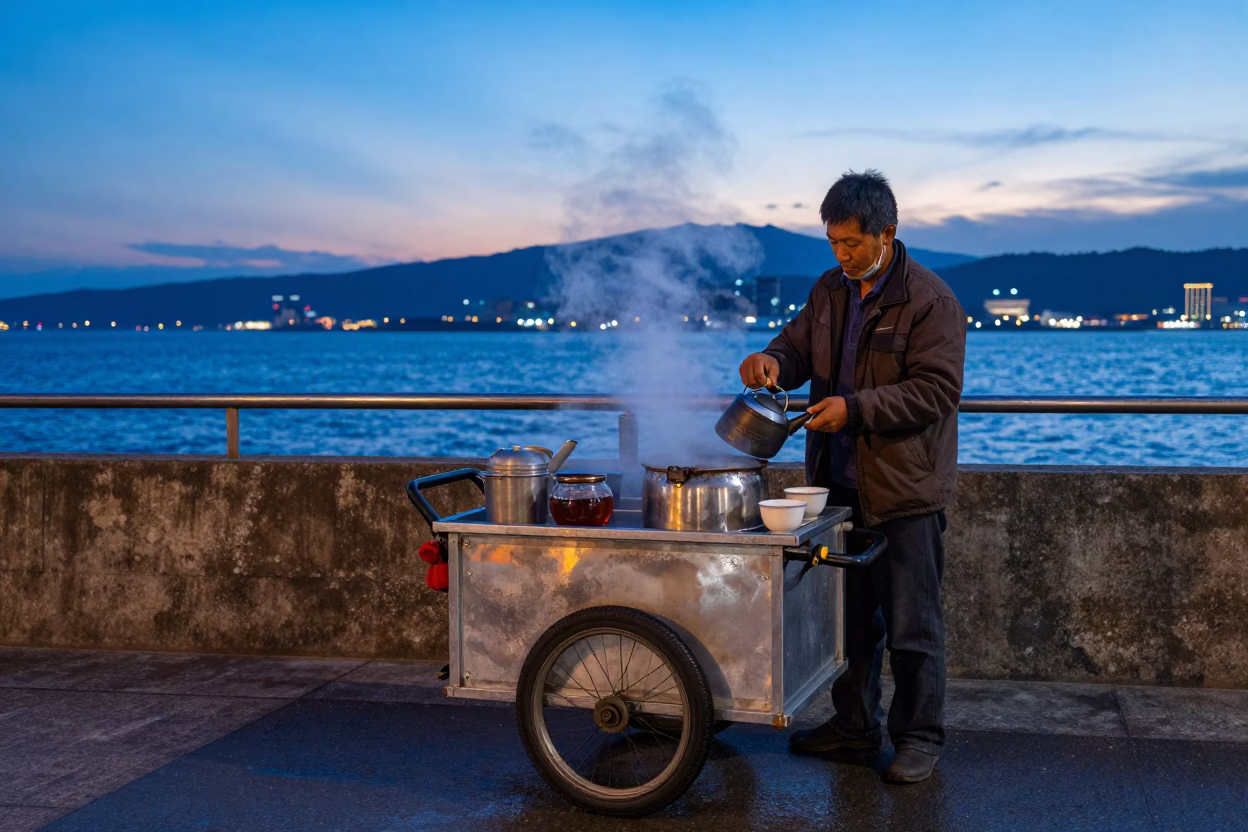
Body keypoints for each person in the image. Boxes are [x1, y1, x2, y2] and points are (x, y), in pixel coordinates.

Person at [738, 169, 966, 784]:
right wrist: (769, 360)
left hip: (904, 489)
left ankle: (919, 738)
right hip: (836, 486)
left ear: (886, 234)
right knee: (849, 621)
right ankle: (854, 726)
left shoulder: (931, 300)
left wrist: (856, 409)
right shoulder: (829, 290)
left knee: (912, 625)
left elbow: (937, 391)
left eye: (852, 244)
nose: (841, 255)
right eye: (833, 243)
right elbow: (795, 347)